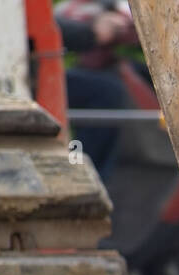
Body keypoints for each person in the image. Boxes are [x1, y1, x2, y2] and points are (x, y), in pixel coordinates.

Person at [58, 6, 136, 177]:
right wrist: (92, 32)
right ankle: (79, 175)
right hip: (26, 83)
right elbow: (39, 25)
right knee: (106, 93)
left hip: (27, 74)